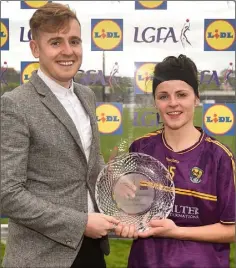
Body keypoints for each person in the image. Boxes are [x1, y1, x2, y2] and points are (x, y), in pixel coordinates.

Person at [1, 3, 136, 268]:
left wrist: (112, 183)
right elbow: (7, 193)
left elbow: (89, 164)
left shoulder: (86, 95)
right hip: (42, 257)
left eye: (74, 41)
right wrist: (81, 222)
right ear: (35, 49)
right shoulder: (15, 104)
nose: (67, 51)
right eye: (55, 42)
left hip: (93, 249)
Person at [121, 54, 235, 268]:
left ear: (196, 98)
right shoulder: (140, 149)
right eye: (163, 96)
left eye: (181, 94)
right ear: (155, 102)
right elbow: (132, 210)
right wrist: (125, 217)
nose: (173, 103)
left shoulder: (220, 157)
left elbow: (231, 229)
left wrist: (176, 231)